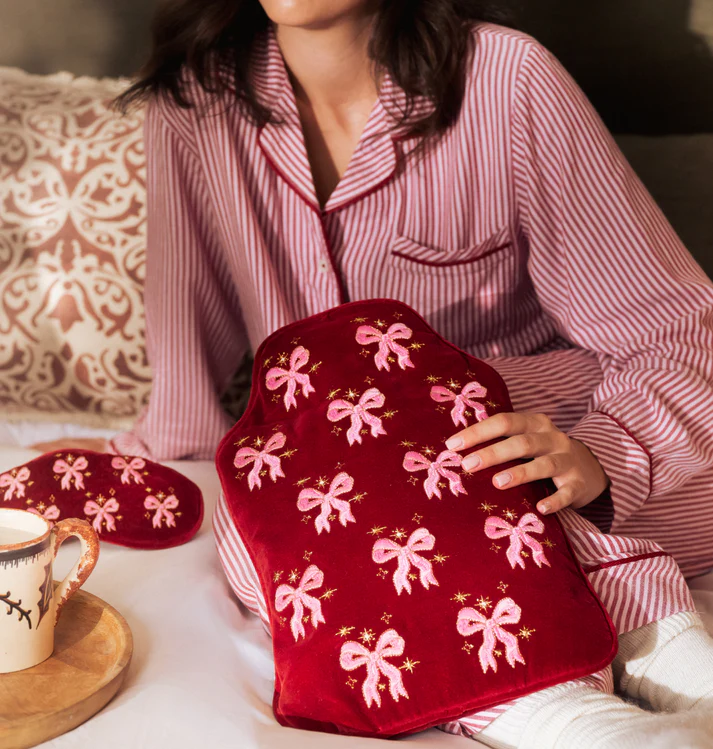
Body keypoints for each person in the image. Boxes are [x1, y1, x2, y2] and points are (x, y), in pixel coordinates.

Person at [36, 1, 713, 746]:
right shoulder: (194, 103)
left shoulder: (507, 79)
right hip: (336, 490)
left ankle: (578, 714)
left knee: (354, 419)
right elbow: (187, 365)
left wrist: (607, 454)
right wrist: (122, 463)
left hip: (542, 450)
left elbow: (682, 331)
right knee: (262, 495)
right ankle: (641, 667)